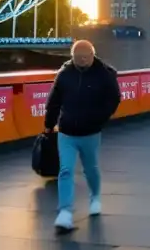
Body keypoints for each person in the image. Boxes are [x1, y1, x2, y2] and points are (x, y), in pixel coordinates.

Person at [44, 40, 121, 234]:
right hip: (66, 132)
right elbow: (54, 101)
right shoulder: (64, 75)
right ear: (72, 57)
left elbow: (114, 99)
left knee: (90, 168)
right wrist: (48, 124)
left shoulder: (105, 74)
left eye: (86, 57)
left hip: (91, 132)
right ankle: (65, 214)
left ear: (93, 55)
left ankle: (95, 197)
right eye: (78, 58)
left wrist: (100, 120)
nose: (83, 60)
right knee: (66, 171)